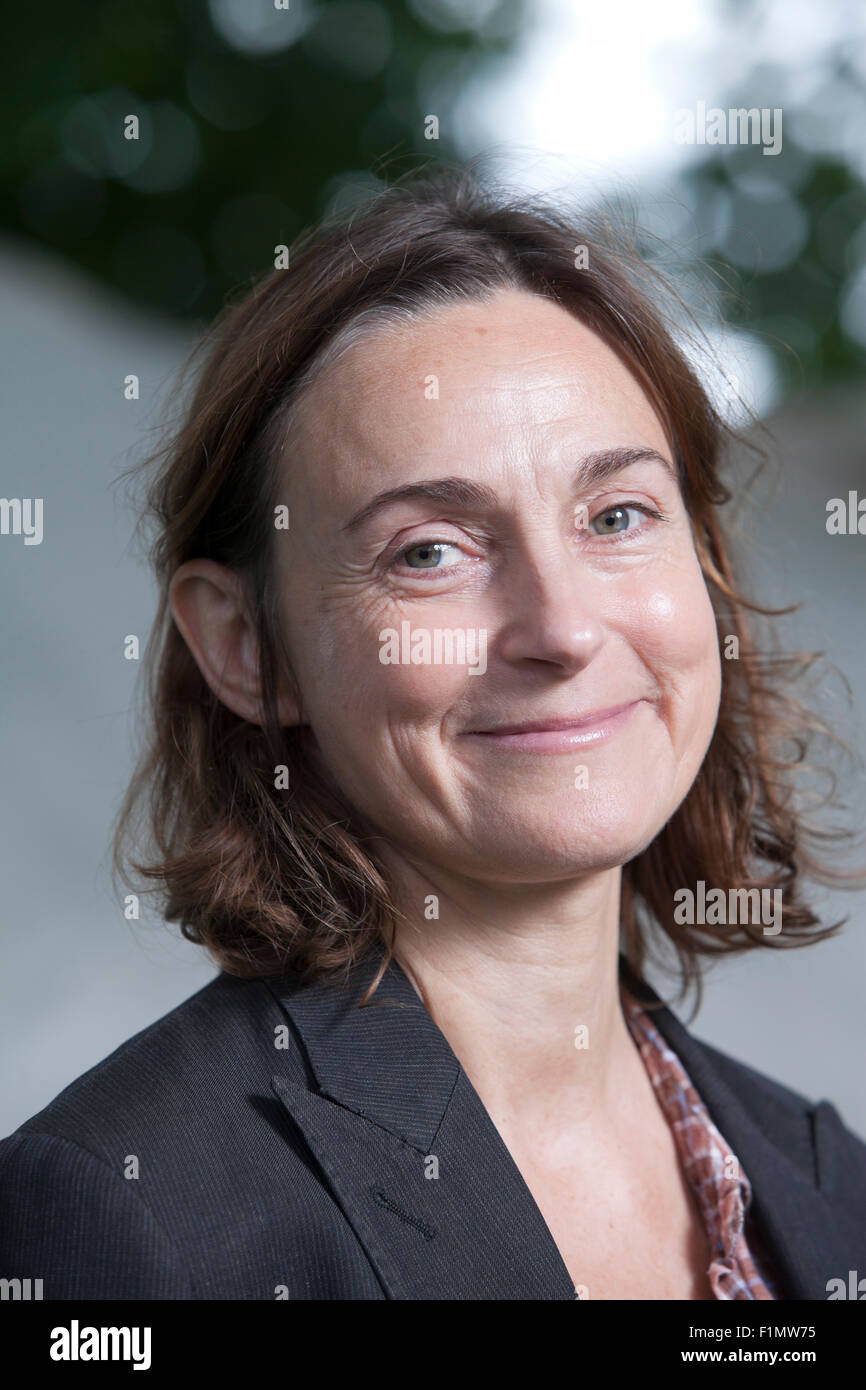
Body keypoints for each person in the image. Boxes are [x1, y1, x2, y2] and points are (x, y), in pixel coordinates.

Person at [2, 168, 865, 1301]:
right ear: (244, 645)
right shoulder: (126, 1216)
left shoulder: (826, 1185)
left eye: (615, 516)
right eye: (429, 551)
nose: (558, 627)